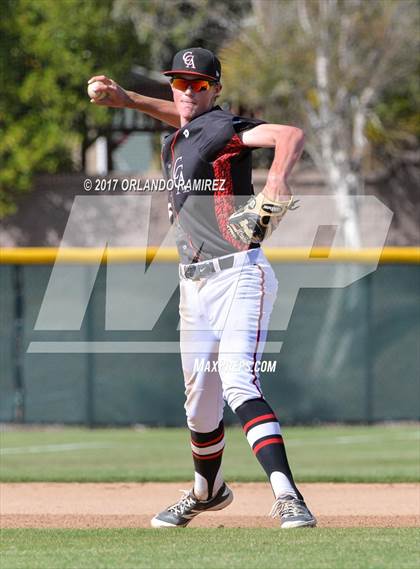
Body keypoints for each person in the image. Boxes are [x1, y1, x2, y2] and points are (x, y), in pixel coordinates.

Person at [88, 47, 316, 529]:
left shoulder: (223, 128)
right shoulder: (180, 138)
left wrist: (276, 180)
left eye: (198, 83)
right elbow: (181, 114)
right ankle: (207, 491)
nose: (187, 91)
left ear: (216, 89)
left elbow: (289, 134)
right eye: (179, 82)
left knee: (238, 381)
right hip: (192, 286)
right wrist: (126, 97)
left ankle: (289, 496)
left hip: (238, 273)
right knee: (199, 407)